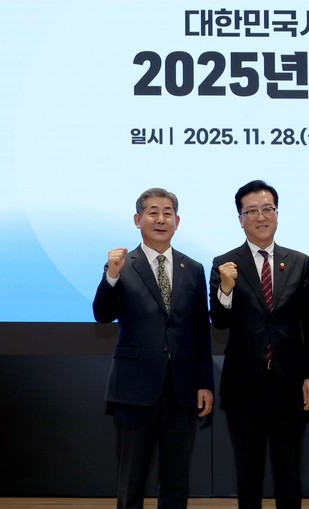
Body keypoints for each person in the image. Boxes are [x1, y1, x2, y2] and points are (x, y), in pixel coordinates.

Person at [92, 188, 214, 509]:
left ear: (177, 221)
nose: (161, 219)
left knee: (176, 479)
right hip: (133, 389)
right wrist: (111, 275)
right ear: (138, 219)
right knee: (131, 478)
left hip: (181, 390)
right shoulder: (122, 264)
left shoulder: (193, 268)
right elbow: (102, 314)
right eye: (153, 212)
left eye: (167, 213)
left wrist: (204, 383)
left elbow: (200, 331)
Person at [209, 180, 309, 509]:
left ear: (277, 213)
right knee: (248, 472)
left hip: (289, 383)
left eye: (267, 209)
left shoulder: (299, 261)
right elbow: (219, 321)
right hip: (244, 386)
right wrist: (225, 289)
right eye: (252, 211)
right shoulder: (225, 263)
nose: (261, 217)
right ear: (240, 219)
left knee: (289, 471)